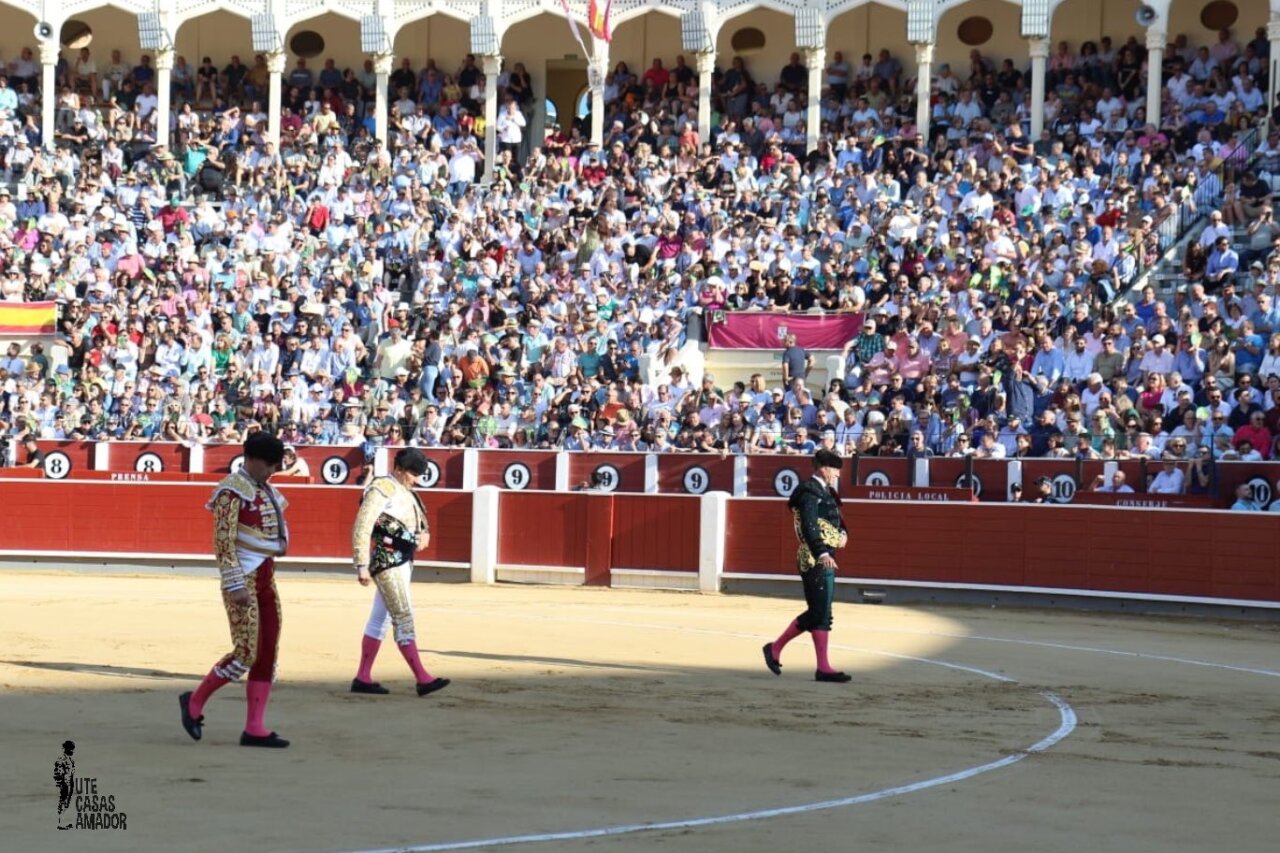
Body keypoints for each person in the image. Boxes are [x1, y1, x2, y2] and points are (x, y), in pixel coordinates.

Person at [179, 433, 291, 748]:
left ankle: (255, 727)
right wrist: (234, 583)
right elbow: (223, 542)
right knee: (246, 652)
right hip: (243, 581)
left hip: (267, 580)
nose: (272, 470)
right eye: (269, 464)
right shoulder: (231, 492)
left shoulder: (264, 489)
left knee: (267, 652)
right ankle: (194, 702)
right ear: (253, 459)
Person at [350, 447, 450, 697]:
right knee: (403, 616)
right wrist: (361, 563)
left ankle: (363, 677)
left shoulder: (407, 492)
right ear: (399, 469)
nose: (416, 479)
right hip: (387, 560)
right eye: (413, 474)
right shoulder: (382, 487)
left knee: (380, 619)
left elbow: (419, 523)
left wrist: (423, 534)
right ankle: (422, 678)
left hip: (403, 560)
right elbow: (363, 523)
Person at [763, 448, 851, 683]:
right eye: (835, 470)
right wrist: (821, 552)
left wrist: (843, 532)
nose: (838, 475)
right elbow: (810, 525)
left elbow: (837, 518)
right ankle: (776, 648)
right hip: (813, 557)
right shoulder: (808, 492)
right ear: (824, 468)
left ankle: (822, 667)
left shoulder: (825, 491)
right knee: (818, 611)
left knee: (823, 612)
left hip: (826, 555)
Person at [54, 740, 75, 830]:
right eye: (71, 749)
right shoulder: (61, 759)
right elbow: (57, 773)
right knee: (62, 802)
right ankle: (60, 823)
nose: (72, 751)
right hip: (64, 784)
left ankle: (62, 821)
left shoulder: (70, 760)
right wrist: (61, 783)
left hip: (69, 783)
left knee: (66, 803)